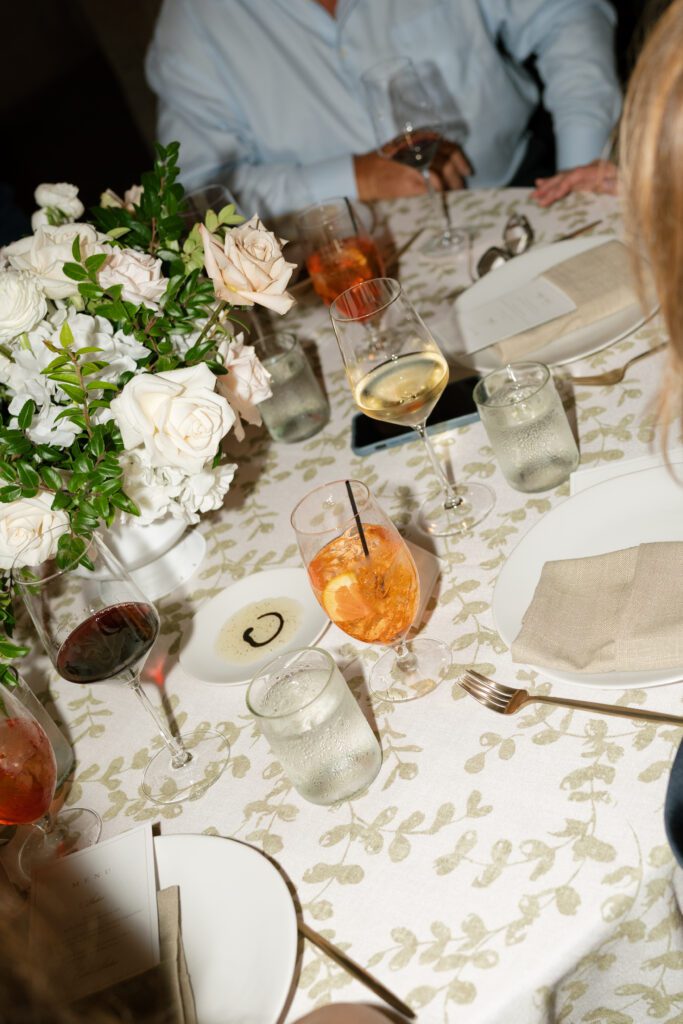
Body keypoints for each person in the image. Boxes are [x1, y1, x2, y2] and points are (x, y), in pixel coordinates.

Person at [145, 0, 622, 220]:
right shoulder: (193, 21)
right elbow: (195, 192)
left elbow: (565, 15)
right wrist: (353, 179)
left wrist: (582, 162)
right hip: (336, 257)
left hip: (527, 187)